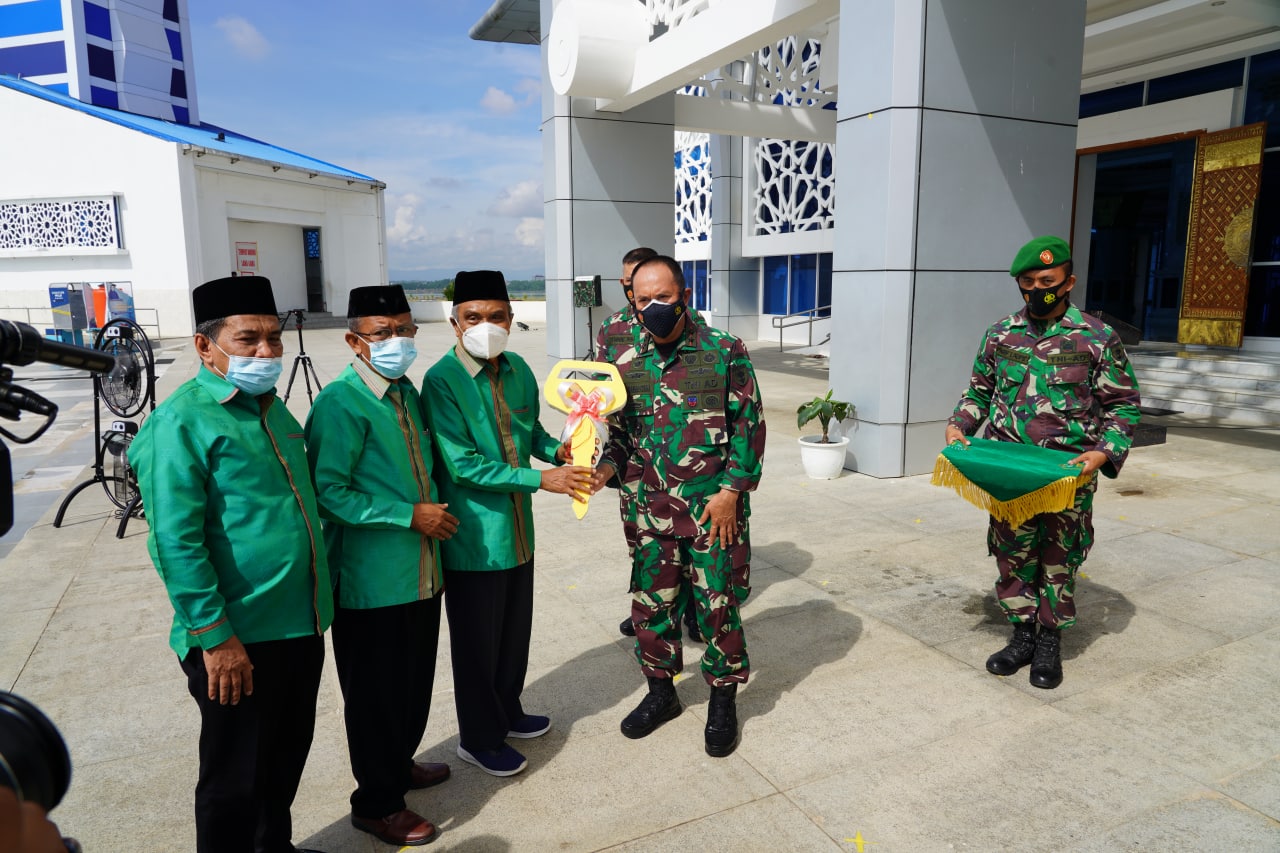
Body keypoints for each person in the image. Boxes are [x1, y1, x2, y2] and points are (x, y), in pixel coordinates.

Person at [130, 275, 333, 853]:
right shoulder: (182, 423)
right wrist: (216, 638)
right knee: (234, 777)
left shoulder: (271, 409)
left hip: (298, 622)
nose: (267, 352)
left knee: (283, 757)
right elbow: (175, 543)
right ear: (205, 345)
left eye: (274, 338)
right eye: (248, 339)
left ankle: (276, 847)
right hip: (237, 636)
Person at [945, 236, 1141, 690]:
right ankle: (1020, 635)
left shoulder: (1096, 337)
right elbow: (978, 391)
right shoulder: (1000, 334)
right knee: (1013, 554)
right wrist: (959, 425)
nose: (1037, 289)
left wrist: (1103, 453)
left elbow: (1123, 405)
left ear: (1068, 281)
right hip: (1009, 471)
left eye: (1047, 281)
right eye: (1028, 282)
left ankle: (1049, 640)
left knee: (1058, 556)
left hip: (1066, 475)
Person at [591, 255, 765, 757]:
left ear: (685, 295)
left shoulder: (723, 350)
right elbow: (621, 437)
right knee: (652, 610)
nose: (653, 307)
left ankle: (722, 700)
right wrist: (603, 467)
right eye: (643, 300)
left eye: (662, 297)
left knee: (717, 611)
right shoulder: (624, 363)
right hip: (649, 513)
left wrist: (732, 492)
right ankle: (661, 695)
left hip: (715, 514)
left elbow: (749, 430)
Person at [422, 270, 594, 777]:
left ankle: (508, 710)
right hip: (474, 536)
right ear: (456, 324)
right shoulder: (442, 381)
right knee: (477, 643)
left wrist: (556, 450)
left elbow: (529, 432)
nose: (486, 326)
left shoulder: (517, 367)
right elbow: (462, 464)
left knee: (514, 632)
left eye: (497, 316)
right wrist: (544, 480)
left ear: (511, 320)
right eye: (473, 317)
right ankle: (477, 737)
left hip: (519, 532)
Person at [304, 285, 456, 847]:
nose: (397, 341)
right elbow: (328, 493)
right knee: (374, 696)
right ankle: (376, 802)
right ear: (354, 341)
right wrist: (407, 515)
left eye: (405, 330)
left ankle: (398, 764)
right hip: (371, 585)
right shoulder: (341, 403)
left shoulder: (404, 390)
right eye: (382, 333)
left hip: (421, 573)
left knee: (414, 684)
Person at [595, 247, 702, 645]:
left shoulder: (699, 333)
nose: (637, 298)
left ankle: (690, 609)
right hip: (637, 470)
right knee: (643, 546)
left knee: (690, 549)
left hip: (685, 466)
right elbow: (607, 397)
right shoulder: (612, 330)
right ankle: (653, 608)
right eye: (629, 288)